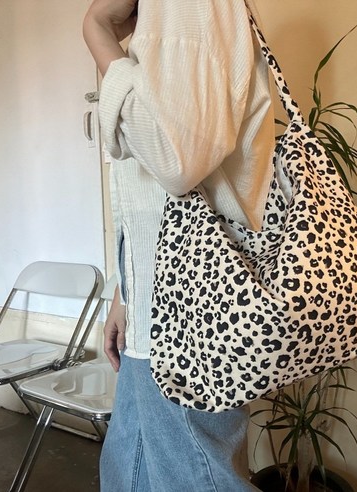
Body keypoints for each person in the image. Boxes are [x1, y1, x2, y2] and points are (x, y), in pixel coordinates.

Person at [83, 0, 275, 490]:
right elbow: (152, 185)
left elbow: (176, 158)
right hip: (162, 295)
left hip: (190, 303)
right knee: (132, 471)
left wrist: (97, 30)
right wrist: (127, 292)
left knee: (193, 475)